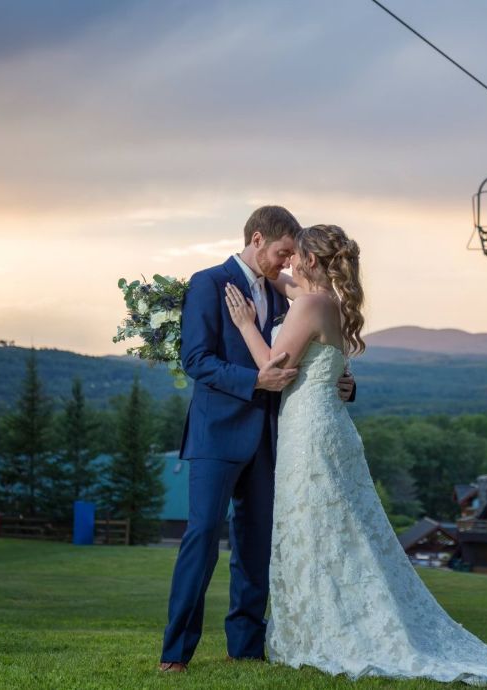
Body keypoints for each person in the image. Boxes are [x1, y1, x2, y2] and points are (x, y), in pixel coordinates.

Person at [225, 223, 487, 684]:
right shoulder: (329, 302)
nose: (288, 263)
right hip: (326, 426)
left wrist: (243, 324)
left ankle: (324, 630)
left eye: (295, 255)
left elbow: (271, 367)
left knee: (317, 526)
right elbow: (282, 282)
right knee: (334, 529)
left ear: (312, 260)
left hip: (309, 431)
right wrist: (253, 264)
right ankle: (328, 623)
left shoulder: (311, 304)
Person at [159, 206, 355, 672]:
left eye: (293, 256)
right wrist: (254, 382)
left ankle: (245, 646)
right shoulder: (208, 283)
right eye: (282, 253)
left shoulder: (288, 293)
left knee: (255, 546)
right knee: (202, 536)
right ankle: (176, 653)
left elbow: (316, 351)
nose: (287, 263)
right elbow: (197, 360)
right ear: (257, 239)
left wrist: (345, 384)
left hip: (273, 437)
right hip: (217, 434)